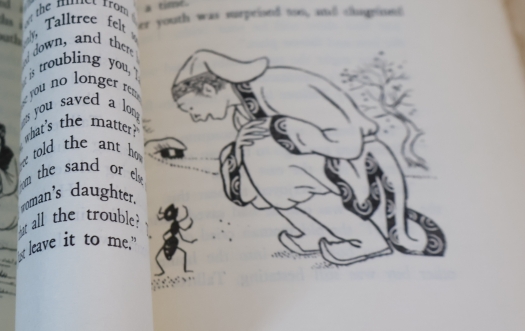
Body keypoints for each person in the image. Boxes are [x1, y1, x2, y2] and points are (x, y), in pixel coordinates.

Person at [172, 50, 445, 266]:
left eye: (191, 108)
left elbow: (349, 141)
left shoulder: (276, 86)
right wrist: (245, 144)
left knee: (260, 157)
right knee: (240, 158)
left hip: (358, 160)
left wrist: (280, 128)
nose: (196, 117)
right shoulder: (242, 110)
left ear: (209, 90)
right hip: (325, 164)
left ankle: (365, 239)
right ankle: (315, 232)